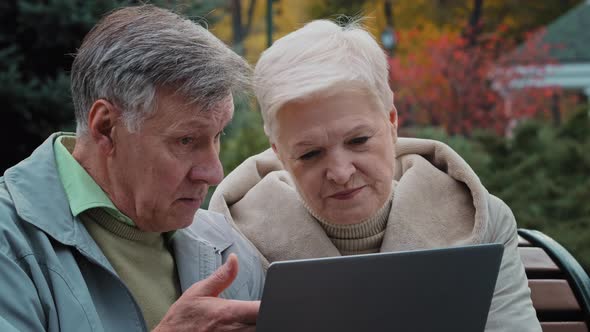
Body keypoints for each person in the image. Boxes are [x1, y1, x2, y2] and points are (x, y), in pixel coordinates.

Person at [210, 19, 542, 331]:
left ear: (392, 122)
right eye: (310, 154)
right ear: (279, 153)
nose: (340, 173)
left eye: (358, 141)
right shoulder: (231, 245)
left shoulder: (481, 219)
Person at [0, 5, 264, 332]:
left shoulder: (226, 248)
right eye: (186, 140)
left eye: (217, 136)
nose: (213, 173)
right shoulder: (10, 242)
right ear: (107, 127)